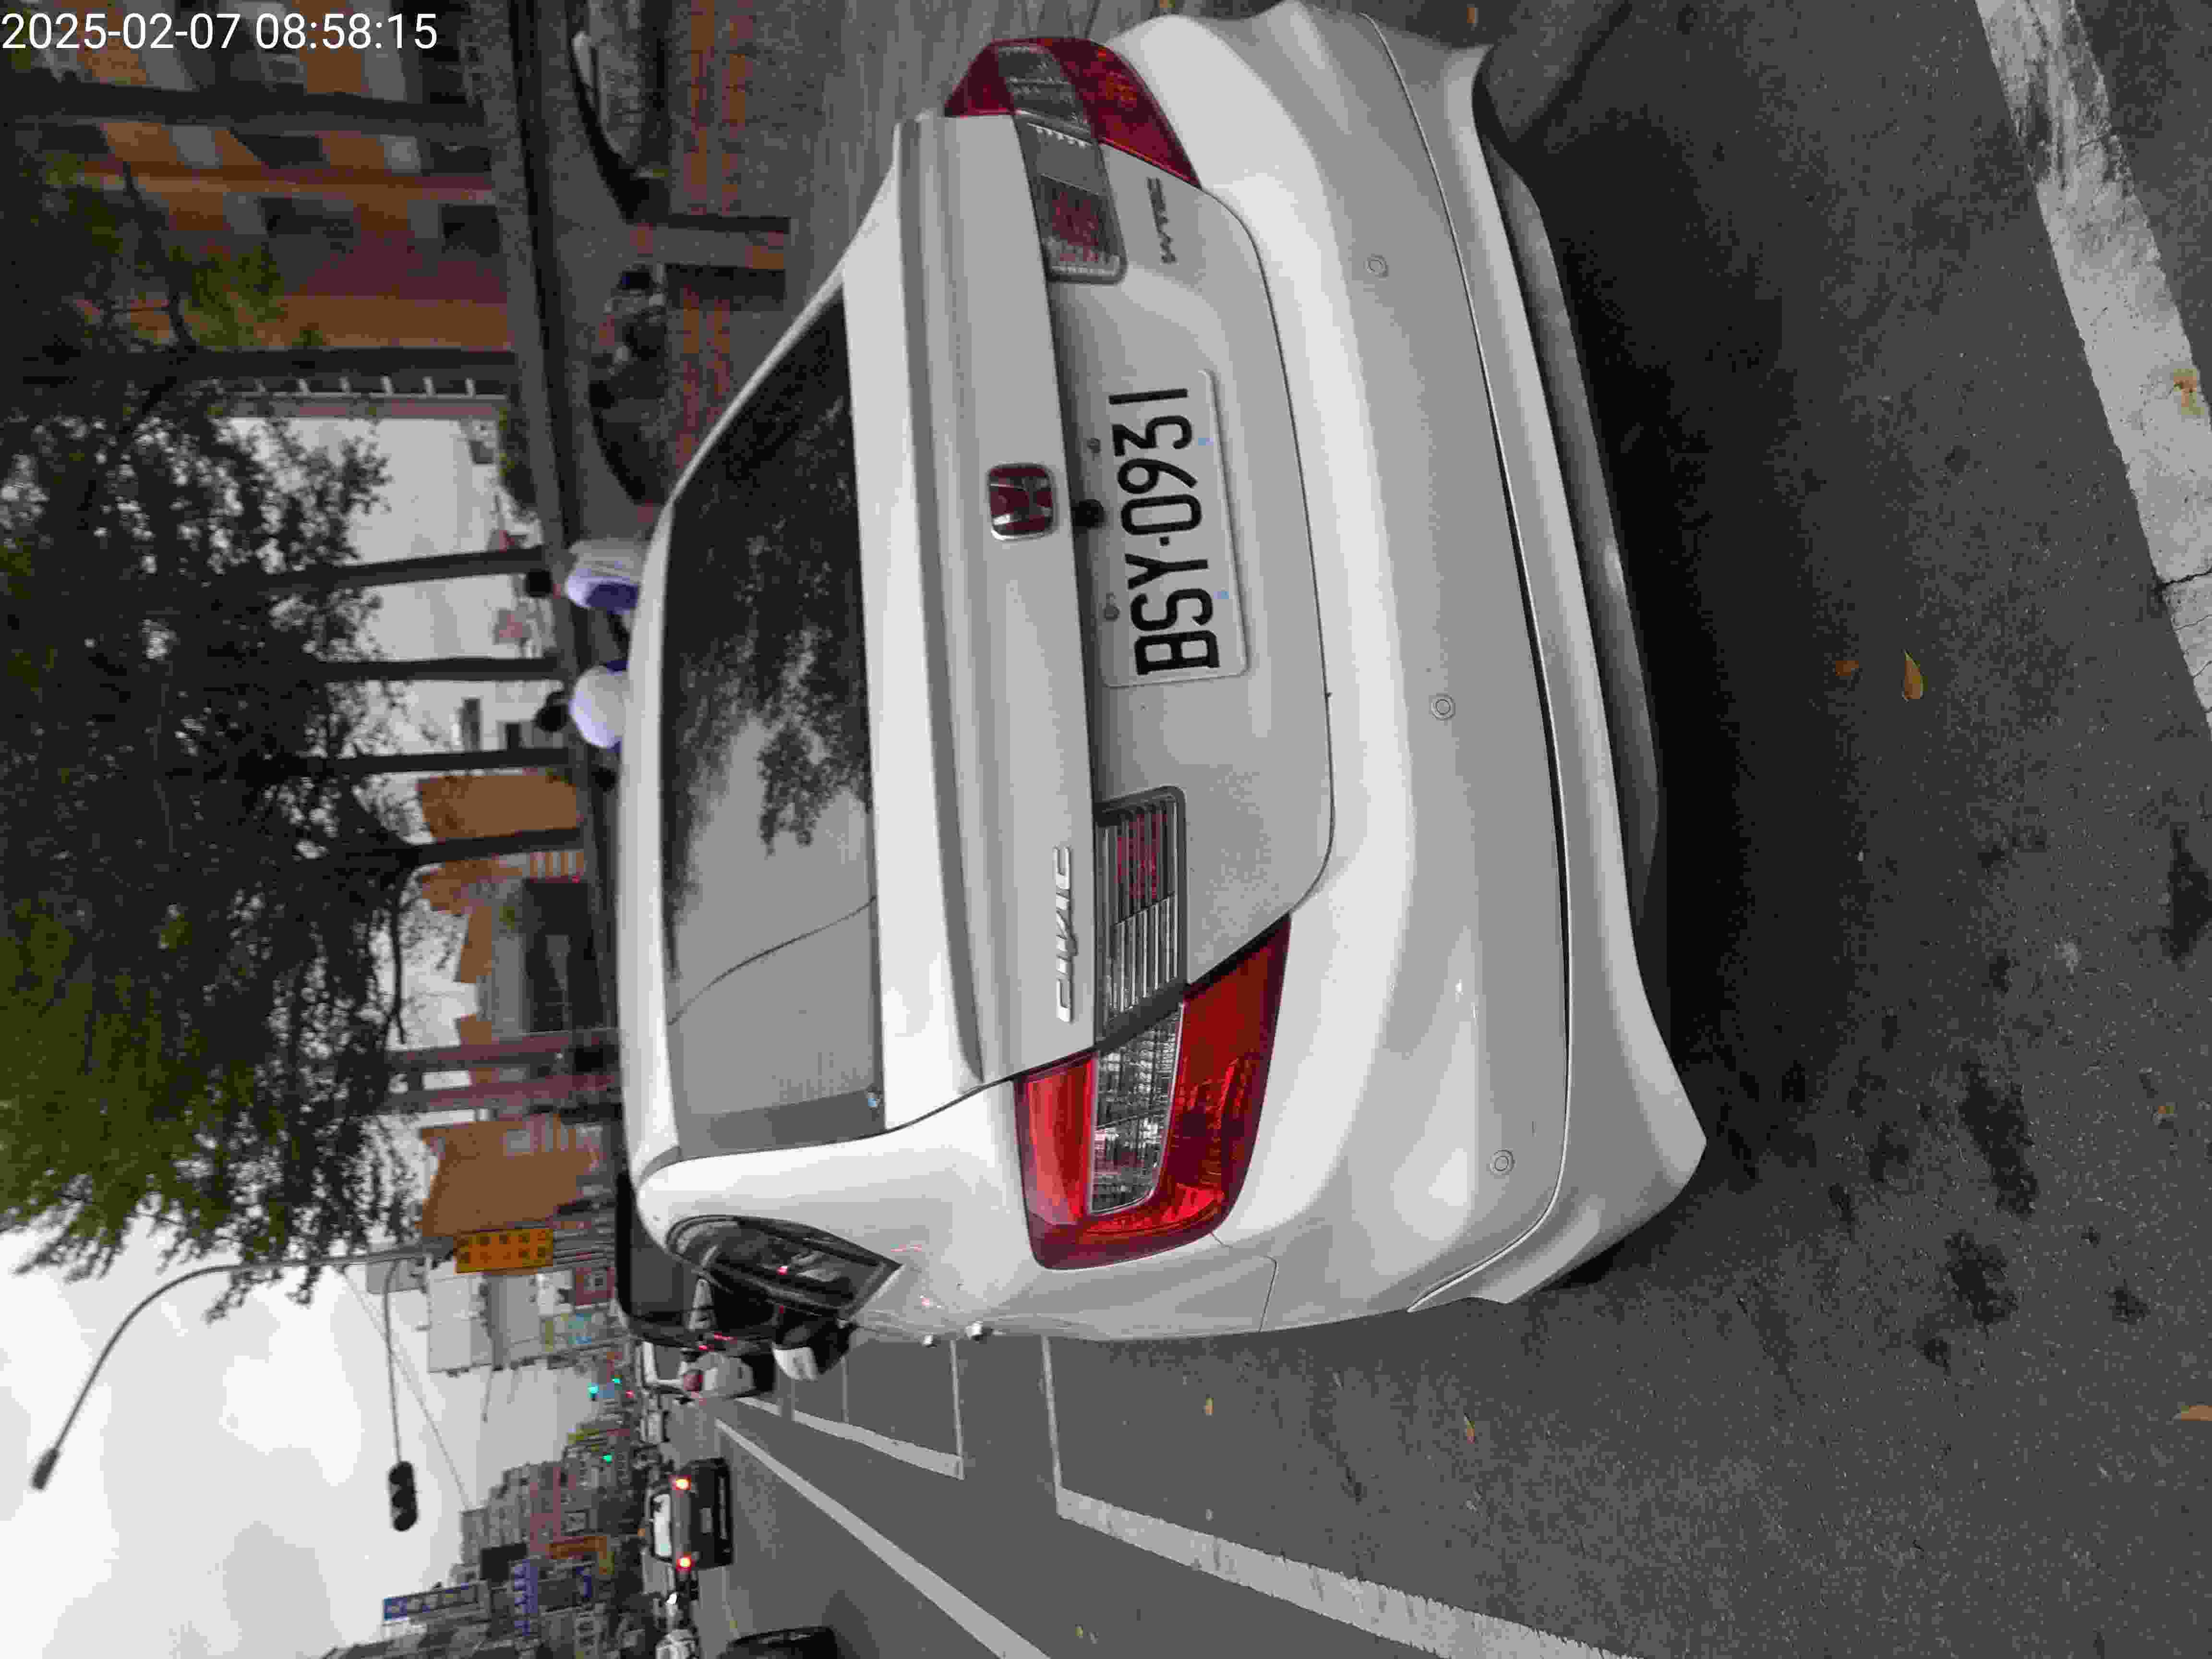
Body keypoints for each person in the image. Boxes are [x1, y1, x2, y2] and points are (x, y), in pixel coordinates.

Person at [564, 536, 646, 614]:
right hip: (650, 551)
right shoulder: (579, 547)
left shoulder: (574, 589)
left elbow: (629, 598)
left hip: (648, 577)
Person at [568, 659, 629, 751]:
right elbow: (621, 664)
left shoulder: (590, 735)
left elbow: (626, 746)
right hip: (646, 681)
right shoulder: (584, 681)